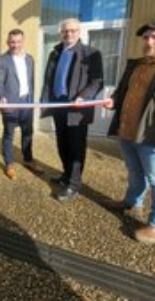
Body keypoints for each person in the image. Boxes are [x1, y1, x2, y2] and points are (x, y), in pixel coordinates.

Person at [106, 20, 155, 245]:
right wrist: (113, 100)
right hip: (127, 130)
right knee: (135, 172)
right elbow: (122, 91)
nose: (149, 41)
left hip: (151, 136)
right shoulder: (135, 64)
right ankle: (131, 202)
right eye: (146, 37)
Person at [41, 18, 103, 202]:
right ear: (60, 33)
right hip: (58, 105)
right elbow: (48, 79)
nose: (69, 34)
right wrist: (44, 100)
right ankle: (66, 175)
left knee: (76, 145)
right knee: (62, 143)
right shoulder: (55, 52)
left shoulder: (91, 53)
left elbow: (97, 81)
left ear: (79, 32)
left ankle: (74, 184)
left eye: (73, 30)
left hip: (77, 108)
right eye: (65, 31)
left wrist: (83, 96)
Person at [0, 28, 41, 180]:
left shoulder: (29, 59)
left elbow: (31, 81)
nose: (15, 45)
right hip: (10, 103)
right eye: (12, 42)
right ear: (8, 42)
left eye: (18, 41)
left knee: (28, 132)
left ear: (23, 41)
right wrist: (1, 97)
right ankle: (9, 163)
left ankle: (28, 159)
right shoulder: (2, 60)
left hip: (26, 102)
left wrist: (32, 100)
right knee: (9, 134)